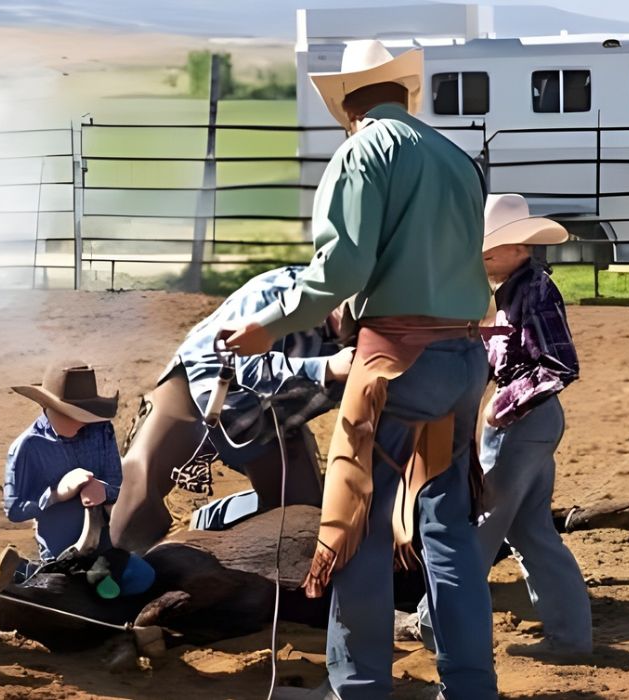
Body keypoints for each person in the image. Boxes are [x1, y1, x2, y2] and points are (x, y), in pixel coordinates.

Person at [221, 40, 496, 698]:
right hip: (462, 358)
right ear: (403, 94)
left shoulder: (362, 151)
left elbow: (341, 269)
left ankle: (362, 686)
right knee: (448, 533)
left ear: (348, 104)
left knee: (358, 532)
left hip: (394, 364)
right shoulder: (458, 161)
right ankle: (470, 685)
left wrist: (269, 325)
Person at [416, 194, 592, 657]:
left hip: (522, 424)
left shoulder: (534, 290)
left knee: (482, 524)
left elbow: (560, 364)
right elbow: (518, 353)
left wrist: (505, 403)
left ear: (518, 248)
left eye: (490, 254)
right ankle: (570, 638)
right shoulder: (517, 289)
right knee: (532, 532)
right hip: (530, 424)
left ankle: (431, 624)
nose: (485, 263)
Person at [109, 265, 355, 553]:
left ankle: (215, 523)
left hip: (273, 419)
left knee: (303, 515)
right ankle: (99, 567)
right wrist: (326, 367)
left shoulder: (385, 335)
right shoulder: (273, 292)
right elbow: (242, 365)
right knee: (132, 508)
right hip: (199, 390)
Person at [0, 361, 155, 598]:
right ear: (48, 407)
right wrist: (58, 493)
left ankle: (31, 574)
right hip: (60, 551)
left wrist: (104, 490)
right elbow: (15, 510)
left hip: (101, 544)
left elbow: (117, 484)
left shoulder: (102, 430)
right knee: (69, 593)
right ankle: (26, 573)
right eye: (74, 415)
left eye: (87, 415)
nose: (83, 422)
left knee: (140, 579)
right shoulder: (27, 446)